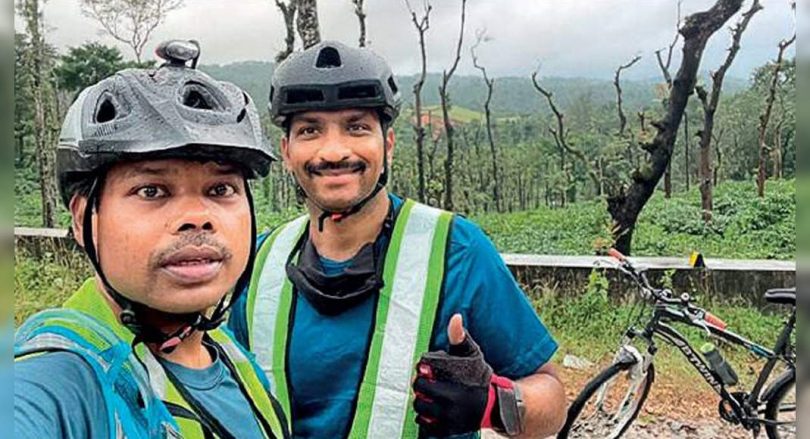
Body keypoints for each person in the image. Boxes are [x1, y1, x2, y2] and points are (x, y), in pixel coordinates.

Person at [229, 40, 566, 438]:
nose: (333, 151)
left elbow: (553, 403)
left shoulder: (456, 249)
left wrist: (494, 403)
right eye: (310, 130)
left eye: (357, 127)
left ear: (387, 145)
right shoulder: (260, 260)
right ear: (287, 152)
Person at [14, 40, 289, 439]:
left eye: (220, 190)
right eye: (152, 191)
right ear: (82, 219)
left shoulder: (234, 359)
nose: (197, 217)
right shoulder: (59, 380)